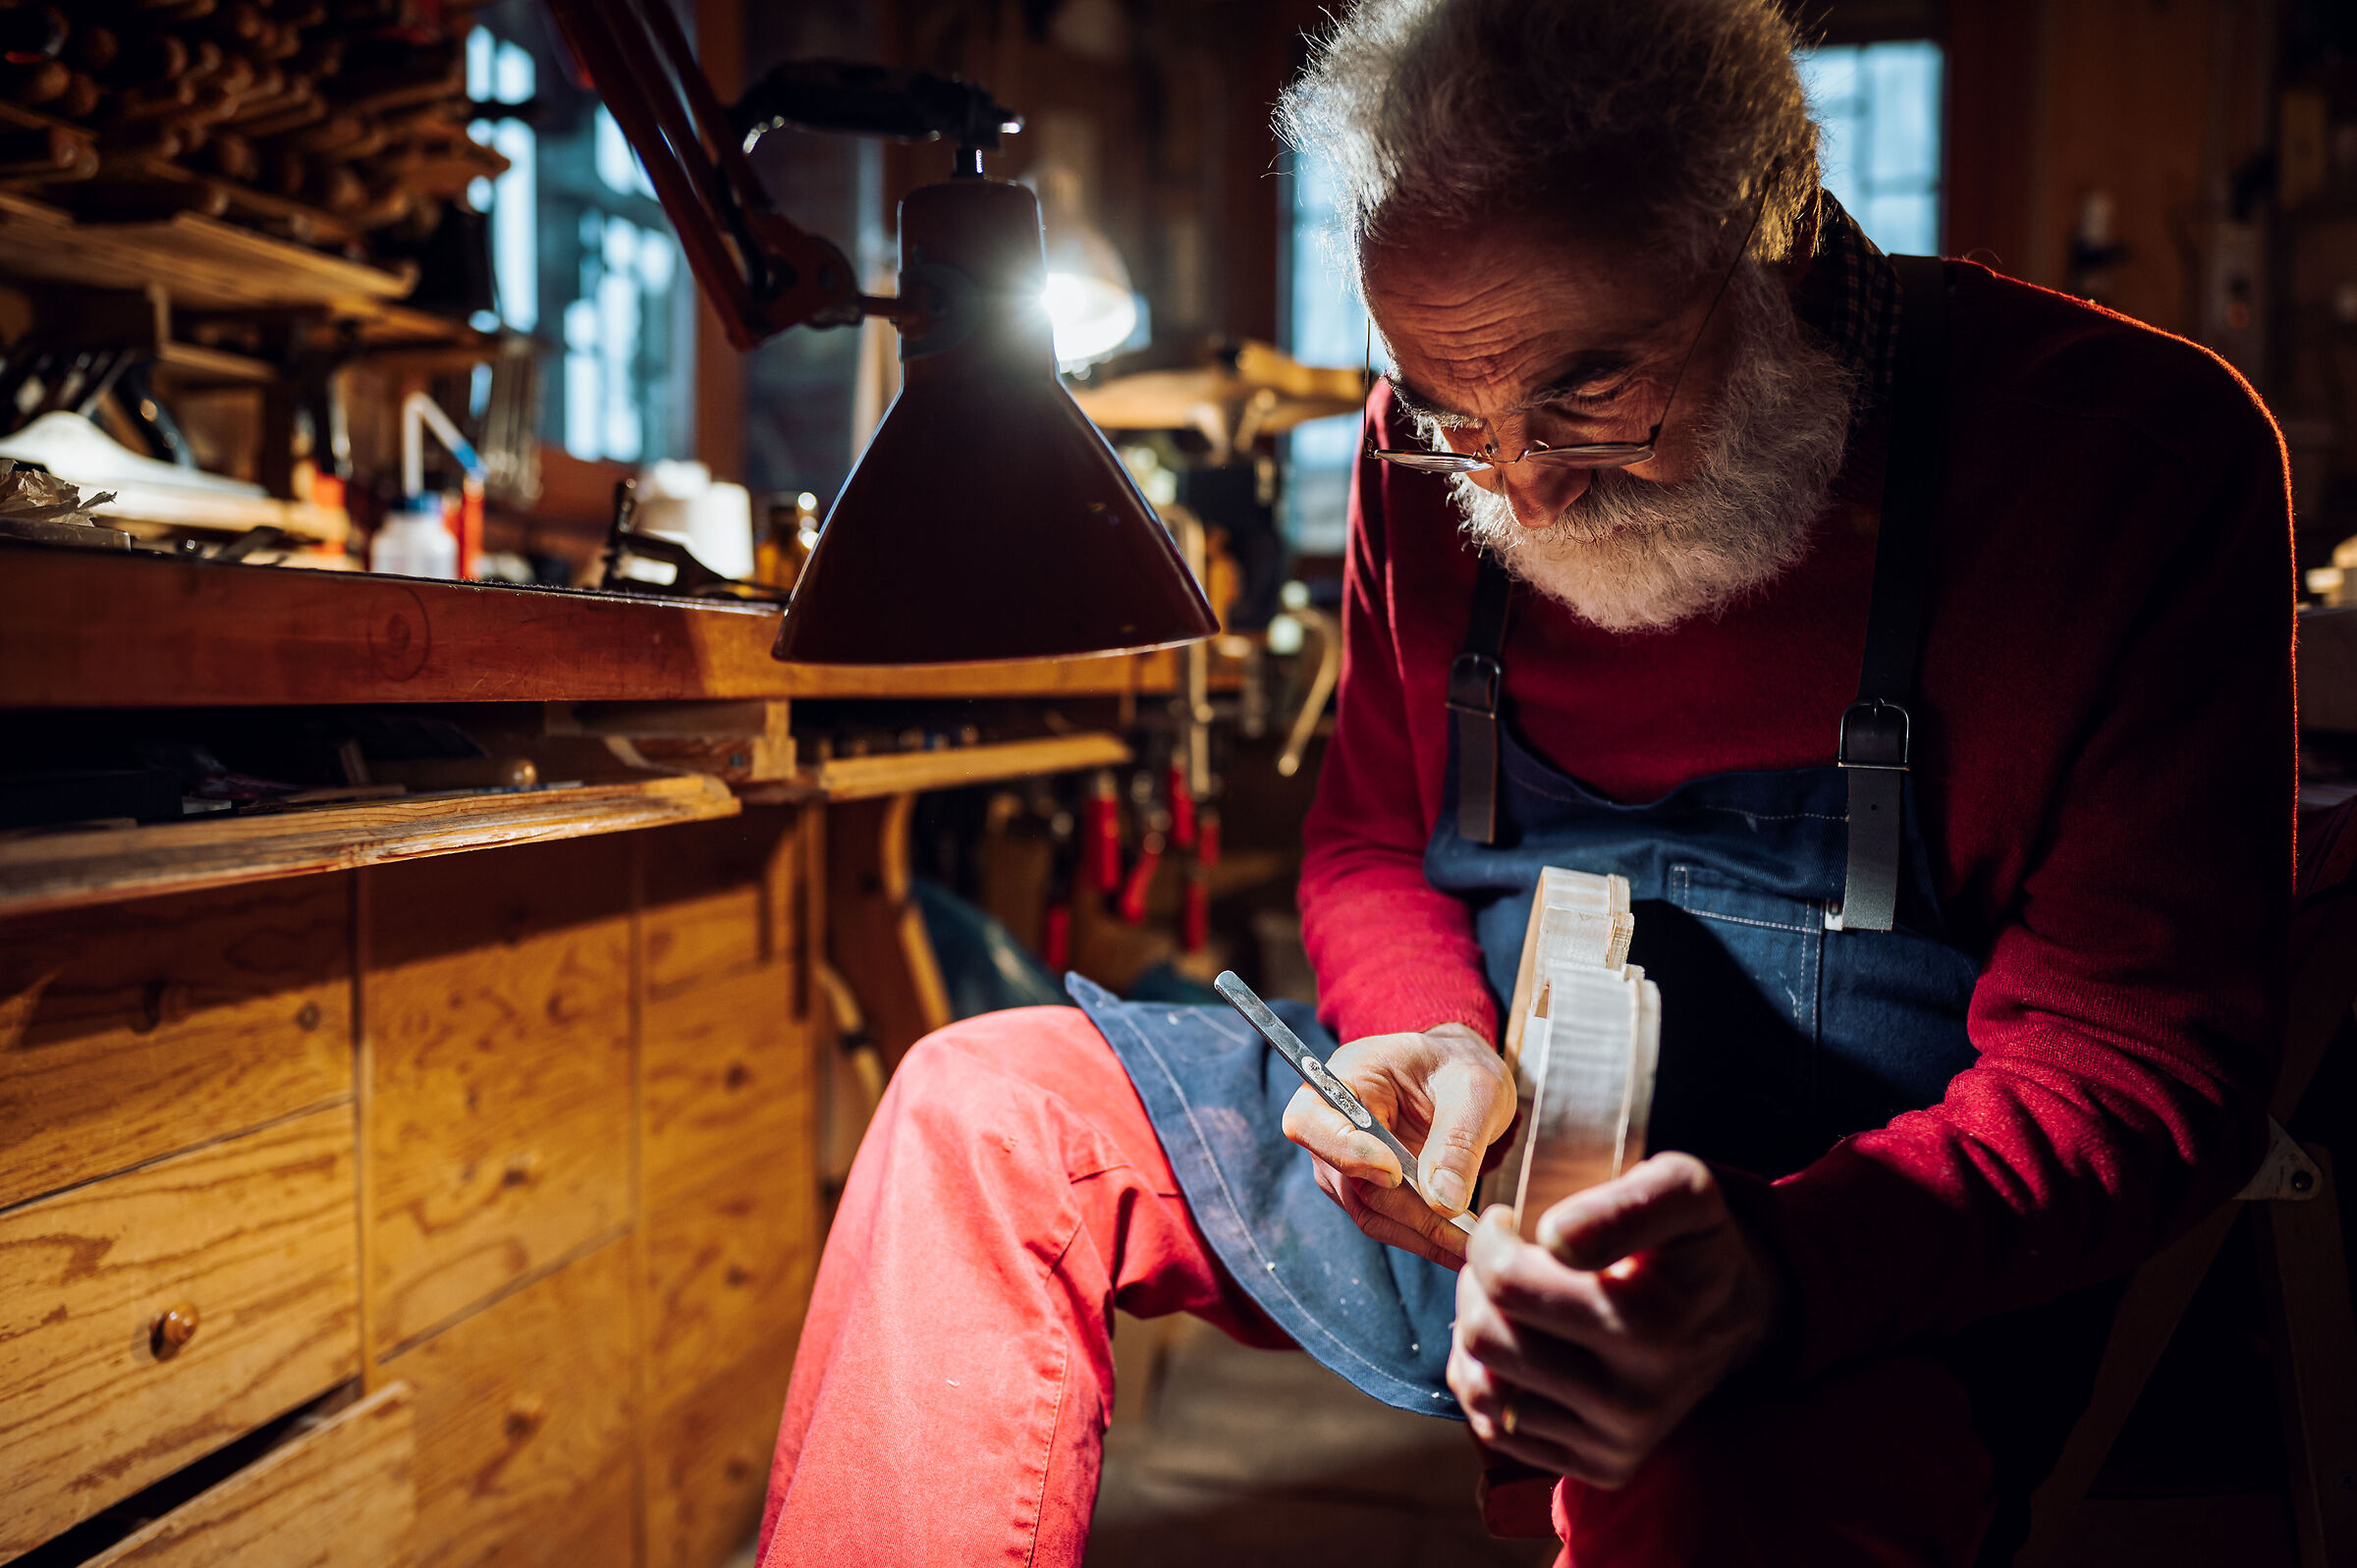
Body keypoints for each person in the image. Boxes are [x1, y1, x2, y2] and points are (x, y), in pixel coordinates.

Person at [755, 2, 2295, 1563]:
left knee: (1694, 1483)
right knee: (983, 1112)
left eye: (1588, 390)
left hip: (1859, 1239)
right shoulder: (1422, 463)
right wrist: (1430, 1039)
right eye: (1450, 410)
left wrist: (1779, 1268)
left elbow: (2141, 1057)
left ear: (1769, 228)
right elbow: (1369, 841)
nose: (1524, 487)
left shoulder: (2128, 468)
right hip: (1474, 1157)